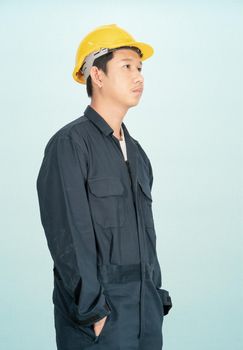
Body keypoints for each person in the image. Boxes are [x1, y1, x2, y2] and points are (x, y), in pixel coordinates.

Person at [36, 23, 172, 350]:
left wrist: (155, 296)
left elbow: (146, 236)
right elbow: (68, 236)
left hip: (145, 315)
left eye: (140, 68)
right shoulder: (70, 145)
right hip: (99, 319)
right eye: (126, 67)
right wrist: (94, 313)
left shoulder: (137, 153)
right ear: (97, 76)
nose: (139, 76)